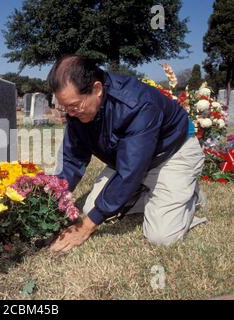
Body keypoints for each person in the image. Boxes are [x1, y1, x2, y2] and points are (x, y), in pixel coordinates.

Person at [48, 55, 206, 252]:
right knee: (91, 209)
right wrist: (53, 200)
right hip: (128, 160)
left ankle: (191, 195)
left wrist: (86, 227)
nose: (70, 114)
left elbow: (130, 171)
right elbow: (72, 158)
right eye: (66, 108)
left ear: (97, 89)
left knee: (162, 237)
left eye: (74, 106)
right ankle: (147, 193)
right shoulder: (78, 111)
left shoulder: (137, 104)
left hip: (171, 154)